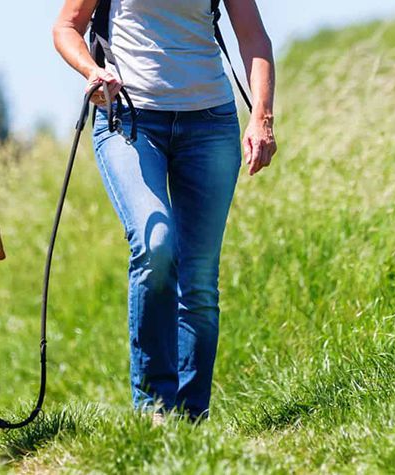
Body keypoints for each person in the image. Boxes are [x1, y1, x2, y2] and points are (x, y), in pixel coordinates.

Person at [53, 0, 276, 421]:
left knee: (199, 281)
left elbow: (254, 38)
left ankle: (190, 421)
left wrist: (261, 117)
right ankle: (155, 410)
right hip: (129, 120)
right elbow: (67, 26)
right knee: (155, 246)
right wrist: (92, 70)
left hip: (210, 122)